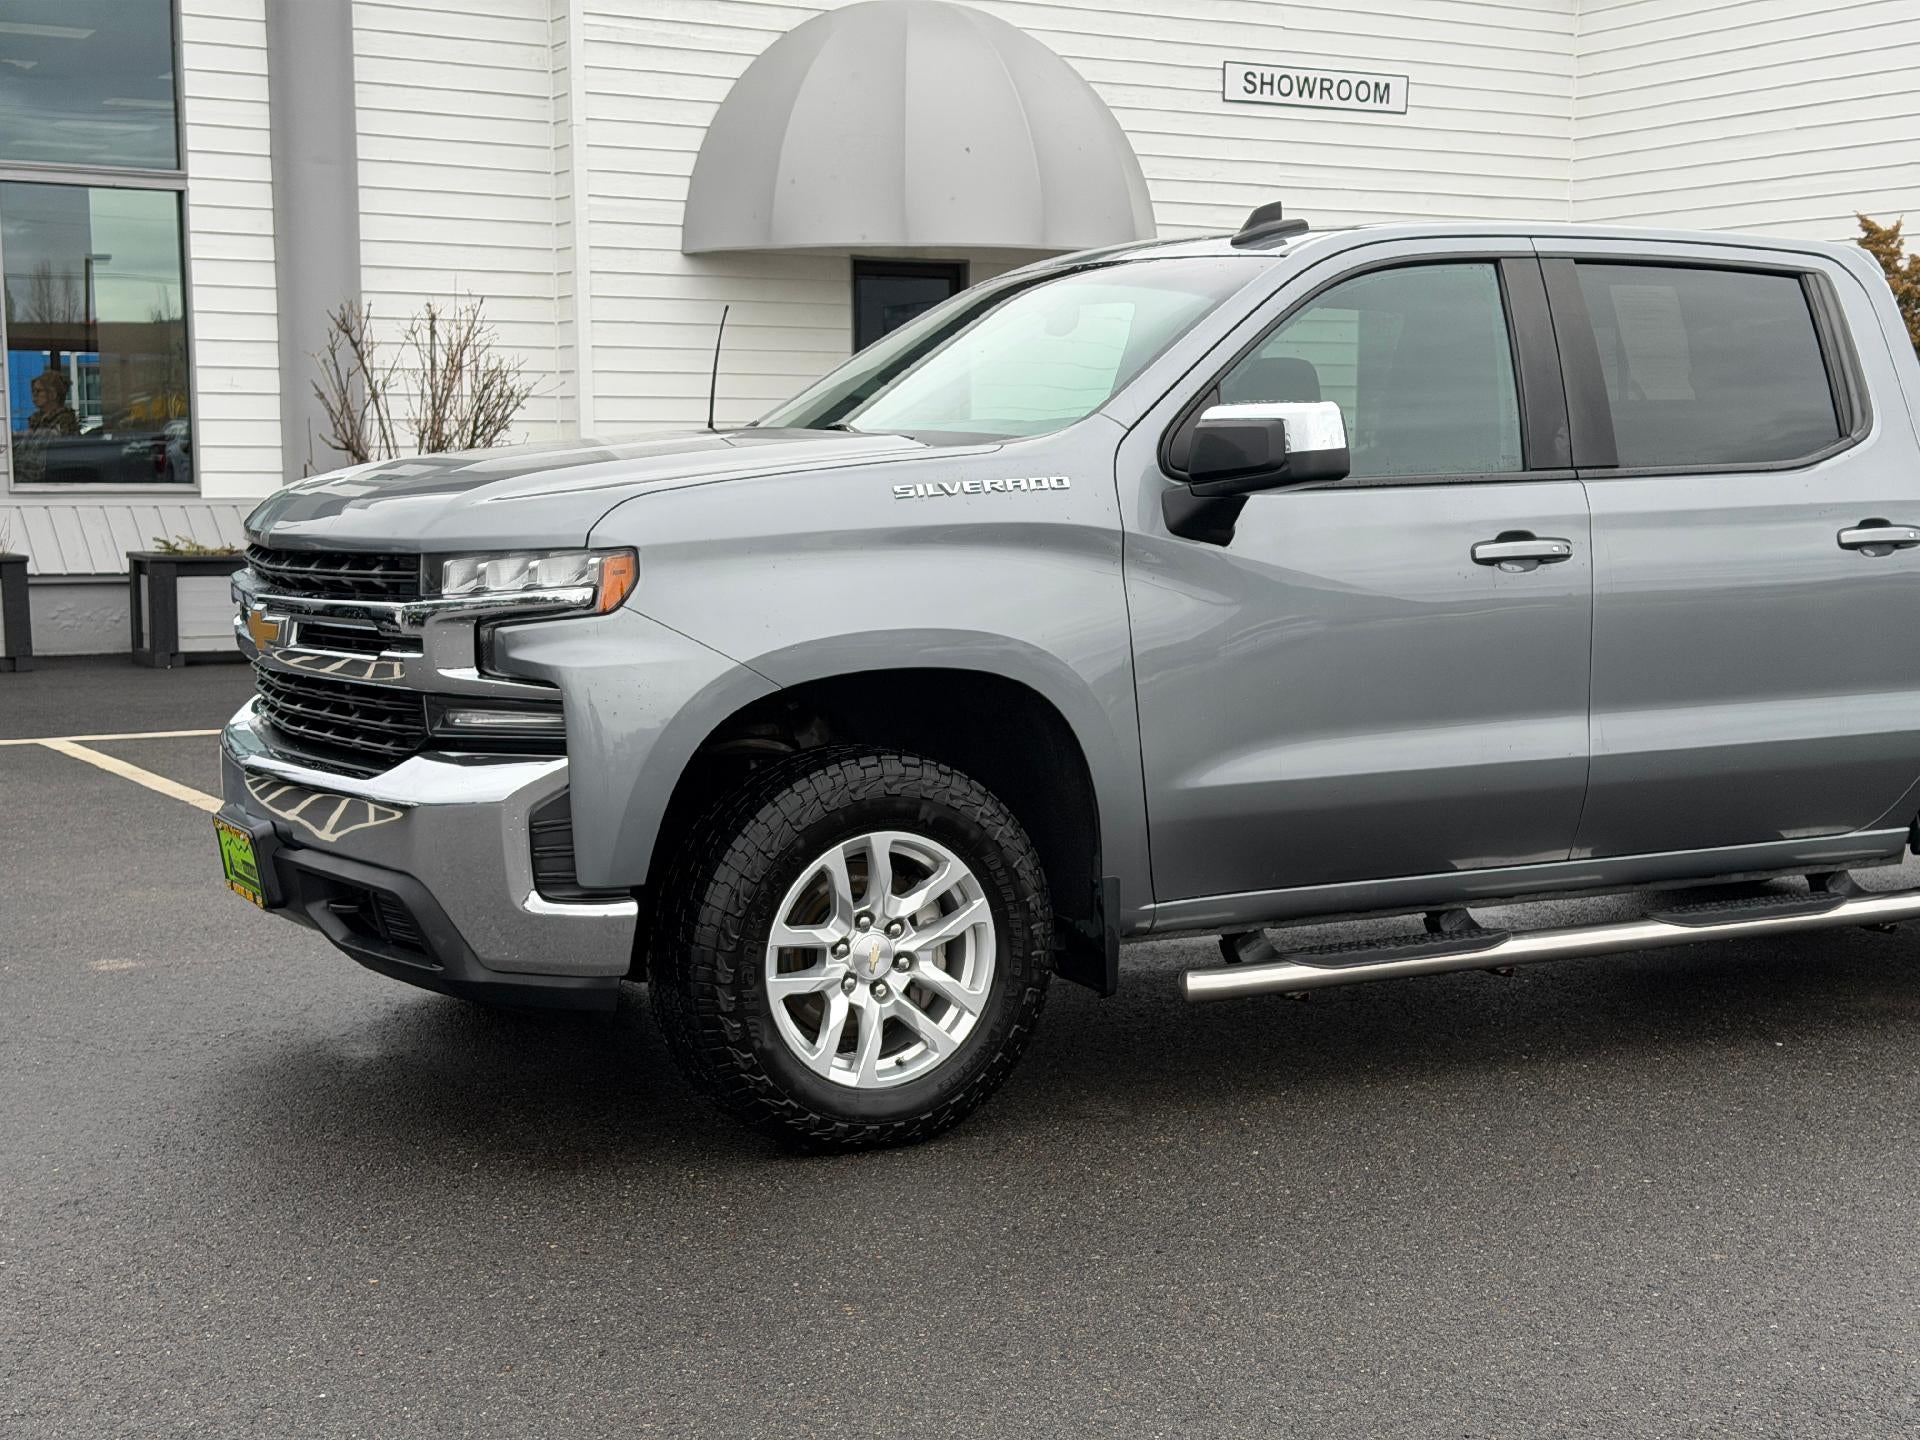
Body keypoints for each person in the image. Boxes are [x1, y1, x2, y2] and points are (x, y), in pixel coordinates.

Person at [13, 369, 81, 483]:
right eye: (33, 391)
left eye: (39, 391)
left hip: (52, 479)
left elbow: (46, 450)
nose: (34, 395)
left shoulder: (65, 421)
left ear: (53, 394)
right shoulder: (36, 420)